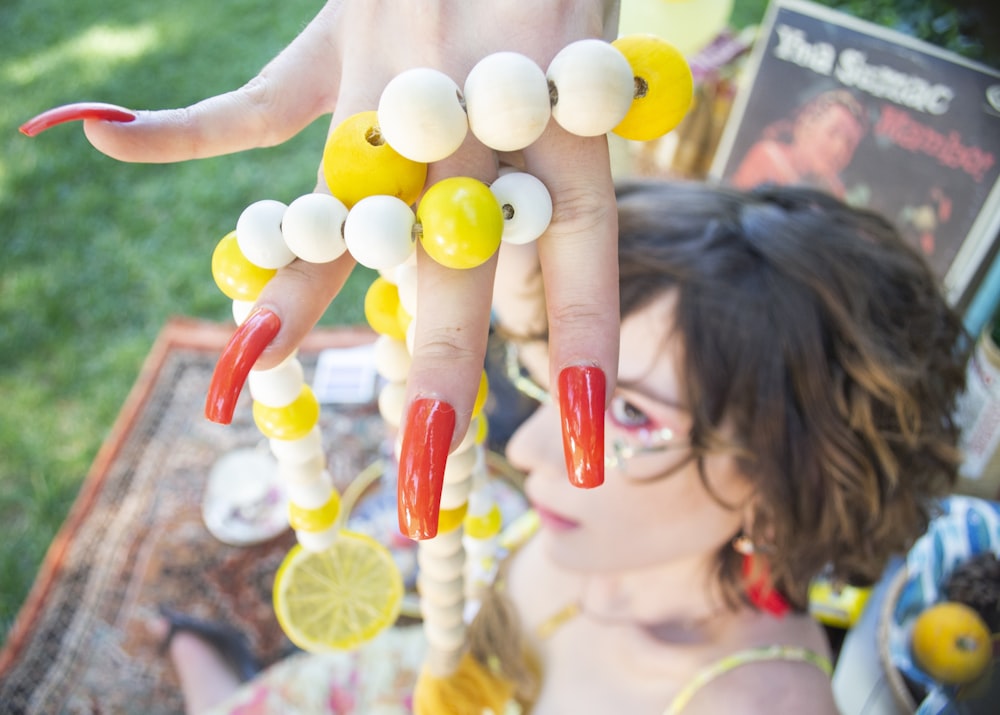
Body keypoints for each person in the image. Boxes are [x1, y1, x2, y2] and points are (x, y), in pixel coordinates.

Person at [155, 179, 969, 714]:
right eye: (554, 382)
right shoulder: (616, 528)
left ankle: (202, 655)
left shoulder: (752, 704)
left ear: (787, 474)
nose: (538, 448)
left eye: (628, 415)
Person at [19, 0, 630, 534]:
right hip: (568, 63)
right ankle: (519, 395)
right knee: (521, 274)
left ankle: (523, 401)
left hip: (592, 64)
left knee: (561, 264)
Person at [729, 88, 868, 199]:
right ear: (806, 125)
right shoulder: (767, 157)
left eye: (850, 144)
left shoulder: (834, 190)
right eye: (833, 133)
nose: (840, 150)